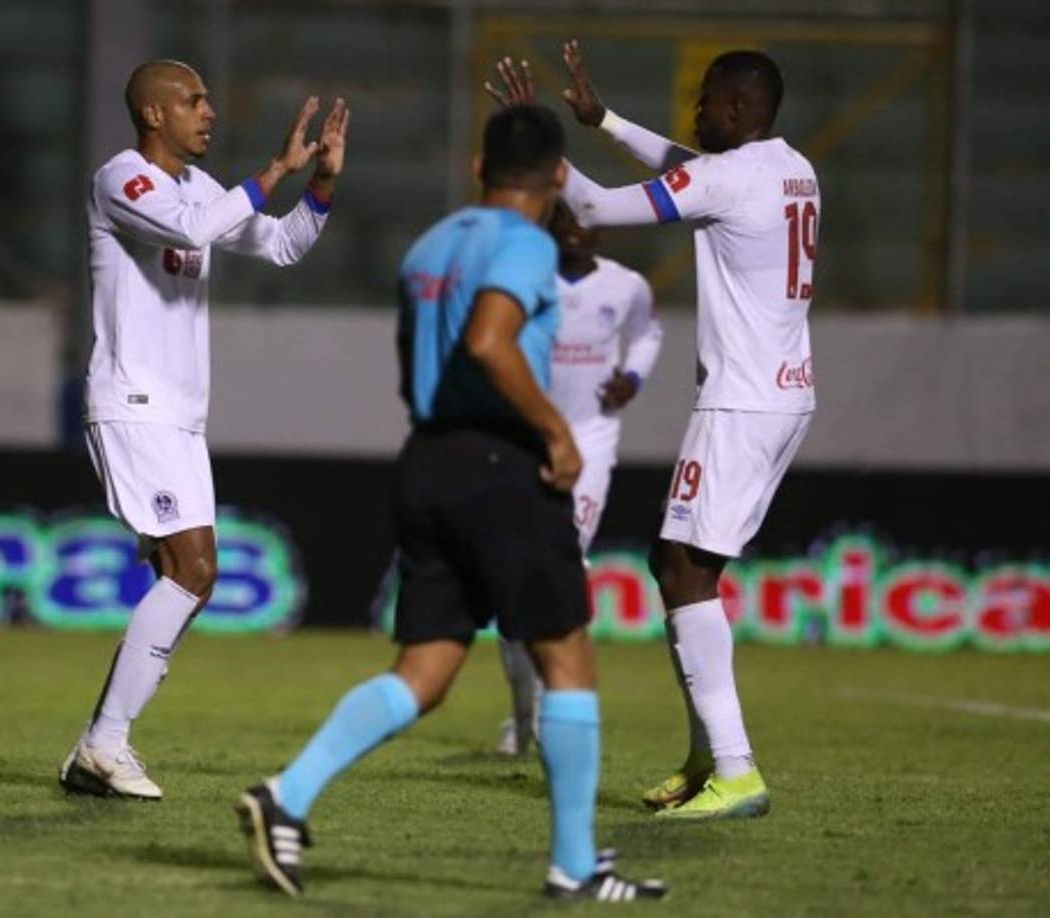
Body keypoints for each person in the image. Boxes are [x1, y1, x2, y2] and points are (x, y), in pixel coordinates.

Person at [234, 104, 666, 903]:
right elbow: (487, 342)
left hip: (429, 458)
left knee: (425, 671)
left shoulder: (430, 245)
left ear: (478, 168)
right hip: (502, 462)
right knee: (567, 654)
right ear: (557, 176)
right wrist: (555, 434)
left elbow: (419, 362)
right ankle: (574, 864)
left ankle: (286, 795)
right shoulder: (527, 245)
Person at [489, 43, 819, 820]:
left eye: (706, 100)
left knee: (682, 573)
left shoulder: (725, 177)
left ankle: (734, 771)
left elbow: (600, 208)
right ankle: (708, 759)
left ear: (737, 109)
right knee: (673, 560)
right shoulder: (789, 167)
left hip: (740, 403)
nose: (696, 112)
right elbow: (688, 169)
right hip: (784, 394)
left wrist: (537, 140)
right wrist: (604, 121)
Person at [58, 60, 348, 800]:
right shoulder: (120, 179)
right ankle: (104, 744)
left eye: (210, 99)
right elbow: (190, 229)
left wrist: (319, 183)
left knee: (185, 577)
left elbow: (280, 246)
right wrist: (274, 168)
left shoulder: (203, 189)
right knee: (194, 569)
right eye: (193, 101)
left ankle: (100, 748)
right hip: (133, 399)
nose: (209, 111)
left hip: (183, 415)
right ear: (154, 114)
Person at [497, 199, 663, 757]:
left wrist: (633, 378)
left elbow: (648, 335)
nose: (576, 228)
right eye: (566, 218)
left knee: (562, 560)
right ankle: (522, 713)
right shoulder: (526, 281)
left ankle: (551, 706)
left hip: (591, 441)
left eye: (588, 220)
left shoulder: (627, 287)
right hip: (528, 440)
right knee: (512, 586)